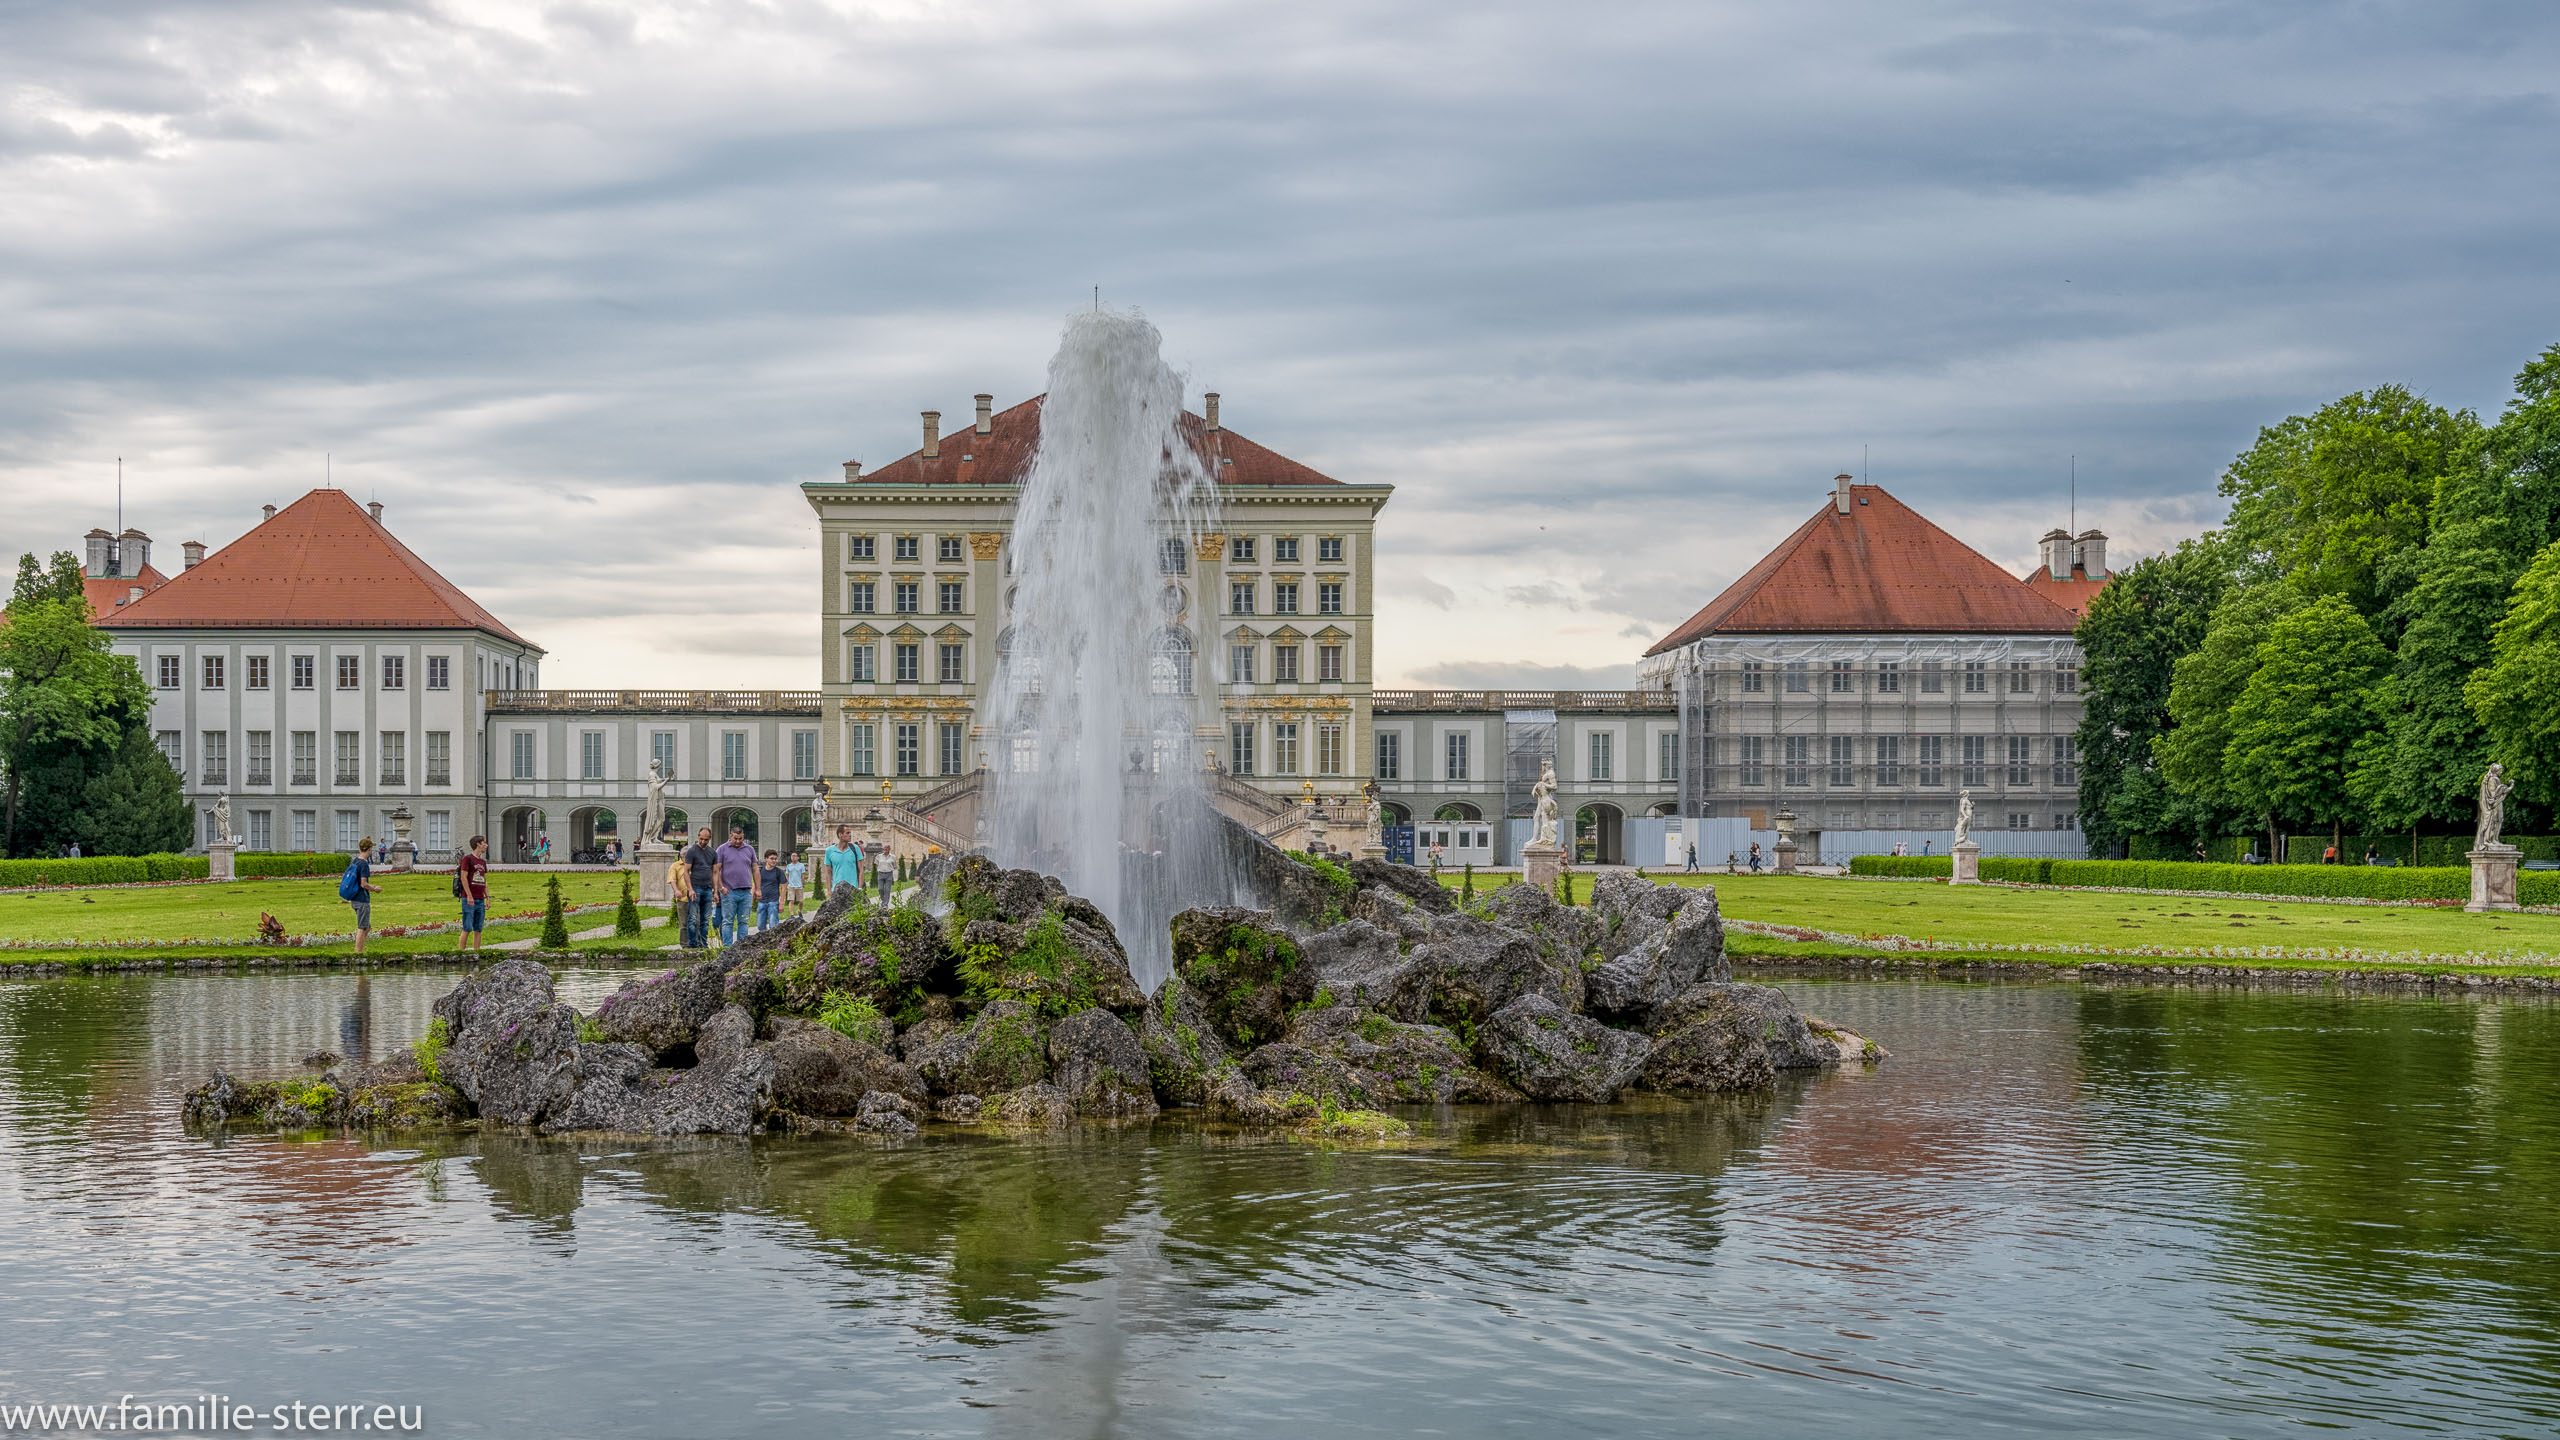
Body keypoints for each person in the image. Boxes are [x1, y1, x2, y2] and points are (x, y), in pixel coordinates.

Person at [715, 825, 757, 945]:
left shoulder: (749, 849)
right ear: (730, 836)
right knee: (728, 921)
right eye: (735, 839)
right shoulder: (722, 849)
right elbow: (716, 870)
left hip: (745, 891)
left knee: (744, 921)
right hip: (729, 892)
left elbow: (755, 869)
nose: (738, 841)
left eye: (740, 839)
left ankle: (741, 946)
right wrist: (720, 887)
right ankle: (727, 947)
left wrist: (757, 888)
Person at [339, 838, 382, 955]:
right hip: (362, 899)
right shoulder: (363, 864)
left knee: (367, 927)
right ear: (369, 849)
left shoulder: (355, 861)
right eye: (371, 849)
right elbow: (363, 883)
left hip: (354, 898)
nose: (371, 851)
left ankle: (361, 949)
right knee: (362, 927)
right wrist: (375, 889)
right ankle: (358, 953)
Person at [681, 826, 719, 947]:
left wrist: (716, 891)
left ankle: (703, 943)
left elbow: (715, 872)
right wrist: (690, 889)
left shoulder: (712, 852)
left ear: (710, 839)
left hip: (707, 888)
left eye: (706, 840)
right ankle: (692, 944)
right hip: (695, 887)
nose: (703, 842)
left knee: (705, 920)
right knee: (692, 918)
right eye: (701, 839)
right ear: (698, 836)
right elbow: (686, 871)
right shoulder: (692, 851)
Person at [456, 834, 490, 954]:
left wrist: (488, 897)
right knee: (467, 927)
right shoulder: (468, 859)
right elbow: (463, 878)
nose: (486, 845)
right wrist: (469, 895)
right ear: (478, 844)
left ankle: (477, 952)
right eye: (484, 843)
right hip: (469, 899)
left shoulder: (482, 862)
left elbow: (484, 880)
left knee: (478, 928)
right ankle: (461, 953)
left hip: (480, 899)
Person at [824, 824, 864, 897]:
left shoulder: (855, 849)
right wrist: (829, 890)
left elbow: (861, 870)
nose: (850, 835)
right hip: (836, 889)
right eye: (847, 833)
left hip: (853, 889)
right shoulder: (829, 851)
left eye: (850, 833)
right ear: (840, 835)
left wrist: (860, 888)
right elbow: (828, 873)